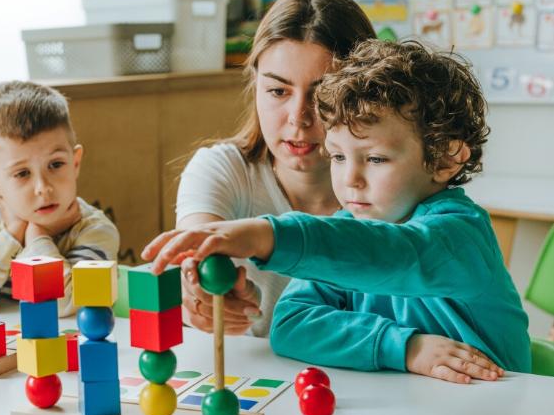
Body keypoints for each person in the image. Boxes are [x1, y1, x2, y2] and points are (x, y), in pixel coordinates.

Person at [143, 40, 531, 383]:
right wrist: (404, 347)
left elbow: (394, 254)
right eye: (338, 156)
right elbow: (291, 324)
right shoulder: (350, 228)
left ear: (446, 158)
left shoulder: (461, 236)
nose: (351, 179)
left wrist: (270, 235)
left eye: (376, 158)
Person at [175, 0, 376, 336]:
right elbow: (197, 248)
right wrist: (201, 292)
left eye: (322, 94)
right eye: (278, 91)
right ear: (255, 85)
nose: (298, 118)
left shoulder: (392, 188)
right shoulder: (222, 169)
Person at [0, 80, 119, 316]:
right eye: (22, 173)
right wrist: (12, 235)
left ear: (75, 163)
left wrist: (36, 237)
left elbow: (70, 304)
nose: (43, 187)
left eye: (56, 164)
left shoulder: (94, 229)